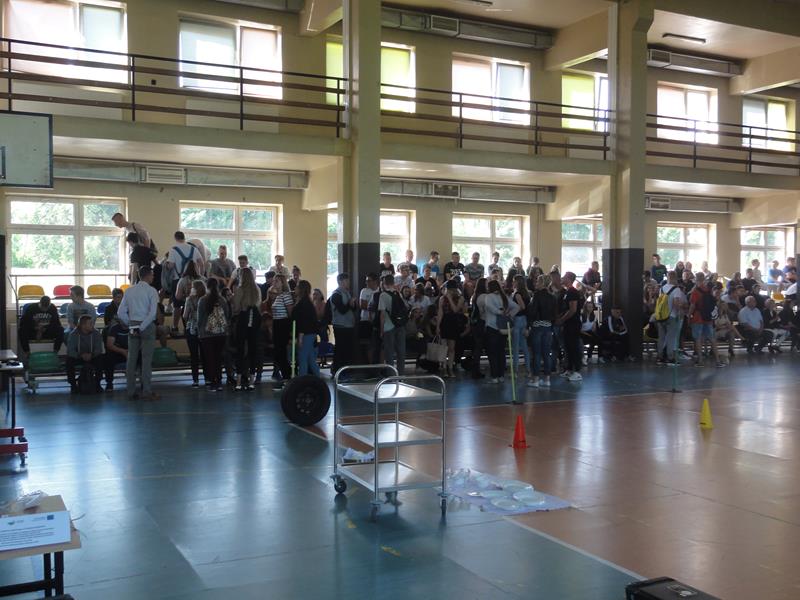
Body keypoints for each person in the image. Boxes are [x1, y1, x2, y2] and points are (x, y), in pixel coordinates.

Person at [118, 266, 161, 400]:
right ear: (147, 276)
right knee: (146, 360)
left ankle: (130, 391)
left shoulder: (129, 291)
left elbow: (120, 312)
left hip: (133, 325)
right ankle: (146, 391)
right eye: (152, 275)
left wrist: (130, 324)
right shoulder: (152, 291)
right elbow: (152, 313)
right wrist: (141, 327)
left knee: (131, 359)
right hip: (146, 325)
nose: (153, 277)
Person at [197, 278, 231, 391]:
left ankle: (212, 382)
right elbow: (227, 315)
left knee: (209, 359)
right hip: (221, 333)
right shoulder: (222, 300)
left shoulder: (202, 300)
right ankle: (219, 380)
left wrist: (199, 332)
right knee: (218, 358)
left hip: (206, 334)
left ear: (206, 286)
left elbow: (200, 318)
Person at [232, 268, 262, 390]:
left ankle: (239, 381)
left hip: (243, 318)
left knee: (240, 350)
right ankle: (252, 380)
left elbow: (236, 308)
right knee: (253, 349)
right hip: (254, 319)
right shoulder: (257, 289)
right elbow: (259, 304)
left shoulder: (240, 289)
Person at [688, 272, 724, 368]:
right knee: (712, 339)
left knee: (698, 339)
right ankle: (717, 360)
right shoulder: (709, 290)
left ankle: (700, 360)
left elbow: (692, 306)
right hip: (708, 318)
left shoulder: (695, 292)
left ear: (696, 279)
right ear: (704, 279)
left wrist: (689, 316)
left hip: (698, 317)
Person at [527, 274, 556, 388]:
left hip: (537, 326)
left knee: (537, 354)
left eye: (538, 281)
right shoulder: (552, 297)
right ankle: (547, 379)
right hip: (548, 327)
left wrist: (530, 321)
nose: (536, 283)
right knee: (546, 353)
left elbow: (533, 311)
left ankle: (536, 379)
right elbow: (555, 313)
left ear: (542, 283)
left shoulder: (537, 295)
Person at [483, 279, 514, 385]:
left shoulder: (488, 297)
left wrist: (500, 312)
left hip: (492, 327)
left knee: (493, 353)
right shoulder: (504, 297)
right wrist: (509, 314)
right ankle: (501, 375)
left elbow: (490, 308)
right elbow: (516, 307)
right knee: (501, 352)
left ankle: (494, 376)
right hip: (503, 327)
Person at [65, 315, 104, 394]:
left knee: (100, 358)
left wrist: (91, 355)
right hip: (78, 357)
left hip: (92, 356)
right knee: (69, 361)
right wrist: (80, 355)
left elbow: (99, 349)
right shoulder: (73, 334)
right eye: (90, 324)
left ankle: (97, 383)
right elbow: (70, 350)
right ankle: (73, 385)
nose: (92, 325)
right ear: (83, 325)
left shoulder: (96, 333)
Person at [556, 272, 583, 382]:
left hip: (573, 324)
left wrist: (562, 320)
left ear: (569, 279)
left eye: (564, 277)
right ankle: (569, 369)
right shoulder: (567, 292)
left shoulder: (572, 292)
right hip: (567, 324)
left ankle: (577, 371)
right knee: (567, 347)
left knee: (573, 347)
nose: (562, 278)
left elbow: (573, 309)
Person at [378, 274, 407, 374]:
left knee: (389, 352)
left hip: (388, 327)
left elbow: (382, 314)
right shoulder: (398, 294)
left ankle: (391, 374)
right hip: (400, 325)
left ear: (384, 283)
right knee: (401, 351)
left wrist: (381, 330)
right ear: (393, 282)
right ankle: (401, 374)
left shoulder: (383, 295)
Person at [266, 274, 293, 381]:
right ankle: (285, 374)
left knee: (281, 352)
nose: (274, 283)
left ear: (282, 283)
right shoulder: (277, 296)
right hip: (277, 323)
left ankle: (287, 375)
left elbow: (290, 313)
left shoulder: (286, 295)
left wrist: (289, 329)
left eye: (277, 281)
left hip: (283, 324)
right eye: (274, 281)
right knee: (278, 352)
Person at [329, 273, 357, 375]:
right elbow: (342, 310)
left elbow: (352, 308)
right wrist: (350, 303)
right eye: (346, 281)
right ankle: (337, 370)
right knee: (340, 349)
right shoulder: (336, 295)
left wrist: (353, 304)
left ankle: (346, 371)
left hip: (349, 325)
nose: (348, 283)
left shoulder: (347, 293)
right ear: (340, 282)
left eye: (348, 281)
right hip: (340, 326)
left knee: (348, 349)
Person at [437, 280, 466, 378]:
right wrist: (438, 326)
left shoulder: (460, 298)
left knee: (451, 348)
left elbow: (455, 310)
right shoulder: (442, 298)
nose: (450, 291)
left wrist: (449, 298)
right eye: (449, 289)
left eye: (452, 289)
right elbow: (440, 312)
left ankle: (450, 367)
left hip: (453, 322)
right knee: (444, 347)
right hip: (444, 322)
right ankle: (444, 368)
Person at [656, 271, 686, 365]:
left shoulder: (662, 288)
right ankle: (670, 357)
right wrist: (680, 311)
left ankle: (660, 357)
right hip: (671, 316)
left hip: (661, 316)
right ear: (675, 278)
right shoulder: (676, 289)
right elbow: (676, 303)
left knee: (661, 337)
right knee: (670, 337)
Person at [292, 280, 320, 377]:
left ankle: (302, 380)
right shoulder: (306, 302)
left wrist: (300, 337)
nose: (295, 289)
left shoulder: (304, 303)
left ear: (301, 289)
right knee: (310, 359)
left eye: (297, 287)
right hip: (309, 333)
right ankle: (318, 379)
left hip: (306, 334)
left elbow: (303, 321)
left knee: (302, 357)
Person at [183, 279, 206, 387]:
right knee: (205, 354)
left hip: (191, 328)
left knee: (194, 355)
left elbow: (185, 316)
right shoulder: (206, 299)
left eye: (192, 287)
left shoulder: (189, 300)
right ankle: (208, 378)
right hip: (204, 329)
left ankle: (195, 379)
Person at [509, 275, 531, 376]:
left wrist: (511, 313)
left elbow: (522, 306)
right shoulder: (527, 293)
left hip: (518, 320)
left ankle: (516, 371)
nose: (512, 283)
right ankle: (528, 369)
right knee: (524, 346)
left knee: (516, 347)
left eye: (514, 281)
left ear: (517, 282)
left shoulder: (517, 294)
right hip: (525, 320)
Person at [174, 260, 203, 332]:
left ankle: (188, 333)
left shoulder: (182, 280)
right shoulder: (203, 279)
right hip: (202, 306)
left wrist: (186, 295)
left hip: (188, 307)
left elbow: (178, 296)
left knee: (189, 329)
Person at [103, 316, 128, 392]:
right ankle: (109, 383)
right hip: (118, 352)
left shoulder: (135, 327)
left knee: (143, 356)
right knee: (108, 358)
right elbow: (109, 345)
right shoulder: (114, 328)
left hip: (133, 351)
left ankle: (144, 382)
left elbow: (140, 342)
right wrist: (122, 351)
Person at [358, 273, 379, 362]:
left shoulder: (380, 291)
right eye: (366, 281)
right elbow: (362, 305)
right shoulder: (364, 291)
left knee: (378, 344)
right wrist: (373, 307)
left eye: (369, 281)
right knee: (367, 344)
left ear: (375, 281)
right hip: (365, 320)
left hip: (377, 321)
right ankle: (369, 364)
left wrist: (373, 307)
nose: (366, 283)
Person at [578, 299, 601, 364]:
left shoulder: (593, 316)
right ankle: (583, 358)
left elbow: (594, 328)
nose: (590, 308)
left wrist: (594, 329)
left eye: (591, 307)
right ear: (585, 308)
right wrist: (588, 334)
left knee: (597, 339)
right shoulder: (581, 316)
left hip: (590, 332)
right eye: (589, 307)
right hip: (582, 333)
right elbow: (579, 329)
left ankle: (591, 356)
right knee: (591, 338)